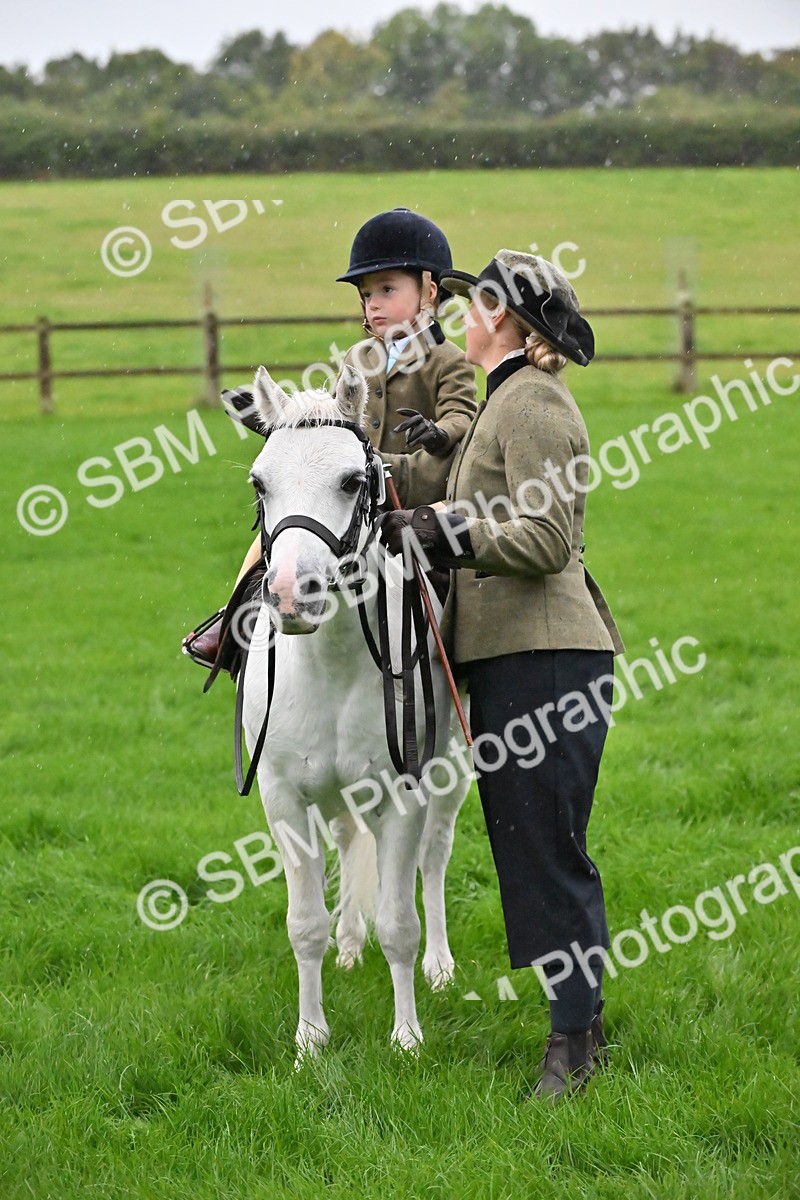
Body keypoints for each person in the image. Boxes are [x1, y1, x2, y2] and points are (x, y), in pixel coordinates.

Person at [380, 249, 624, 1102]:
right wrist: (425, 514)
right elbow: (490, 510)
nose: (461, 311)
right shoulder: (503, 399)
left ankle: (571, 1047)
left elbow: (546, 539)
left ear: (513, 323)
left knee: (546, 852)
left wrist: (452, 535)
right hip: (517, 659)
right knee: (532, 847)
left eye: (476, 301)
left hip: (548, 658)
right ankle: (583, 1021)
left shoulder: (535, 402)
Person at [183, 208, 477, 671]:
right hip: (356, 495)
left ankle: (467, 660)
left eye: (386, 290)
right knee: (276, 536)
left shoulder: (449, 360)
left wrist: (438, 434)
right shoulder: (358, 357)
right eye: (366, 295)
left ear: (429, 292)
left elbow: (464, 418)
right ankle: (231, 625)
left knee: (451, 571)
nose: (373, 304)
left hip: (421, 496)